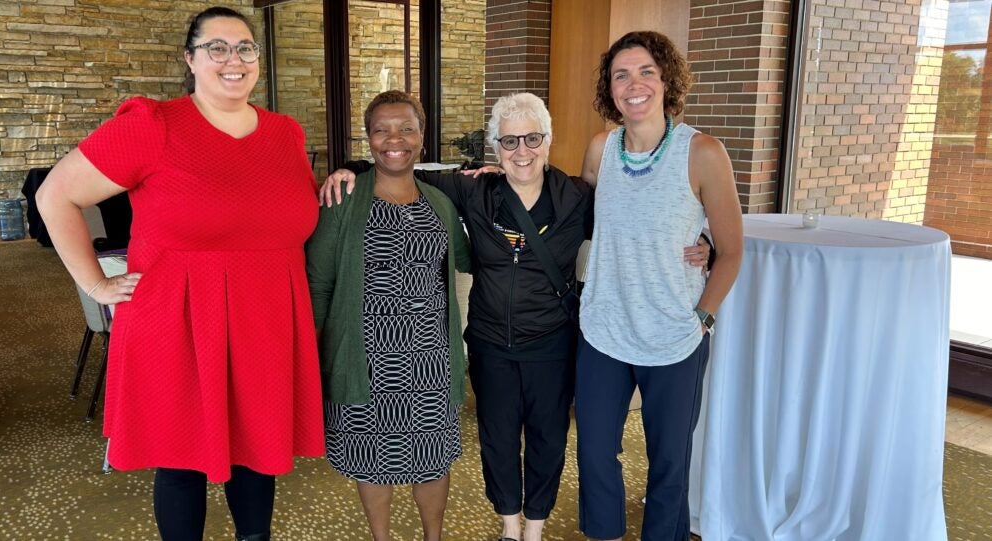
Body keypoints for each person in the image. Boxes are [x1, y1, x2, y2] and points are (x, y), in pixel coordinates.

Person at [321, 92, 710, 541]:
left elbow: (636, 224)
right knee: (498, 440)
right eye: (509, 141)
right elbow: (399, 166)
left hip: (552, 341)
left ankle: (536, 528)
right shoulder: (471, 189)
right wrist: (353, 169)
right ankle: (509, 527)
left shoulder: (577, 197)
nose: (521, 150)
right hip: (490, 342)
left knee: (548, 439)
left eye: (532, 138)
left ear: (548, 140)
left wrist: (704, 241)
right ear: (495, 147)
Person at [35, 7, 324, 540]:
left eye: (244, 48)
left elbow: (293, 215)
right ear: (190, 59)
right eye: (216, 47)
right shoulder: (154, 125)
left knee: (258, 453)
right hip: (181, 320)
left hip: (266, 321)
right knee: (183, 461)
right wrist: (95, 283)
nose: (232, 60)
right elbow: (55, 195)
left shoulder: (285, 134)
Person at [574, 31, 743, 541]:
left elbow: (732, 250)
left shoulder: (704, 152)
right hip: (604, 325)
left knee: (669, 458)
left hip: (675, 333)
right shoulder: (601, 149)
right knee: (595, 451)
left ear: (666, 78)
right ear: (610, 87)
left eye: (646, 70)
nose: (634, 84)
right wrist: (507, 176)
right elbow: (575, 220)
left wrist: (703, 318)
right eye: (621, 74)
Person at [306, 90, 471, 541]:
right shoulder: (342, 199)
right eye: (381, 130)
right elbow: (318, 283)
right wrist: (317, 362)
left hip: (430, 361)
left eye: (406, 129)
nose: (393, 139)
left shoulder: (440, 203)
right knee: (371, 458)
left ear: (422, 137)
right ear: (368, 138)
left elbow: (464, 263)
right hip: (365, 358)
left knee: (432, 457)